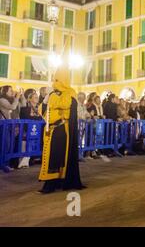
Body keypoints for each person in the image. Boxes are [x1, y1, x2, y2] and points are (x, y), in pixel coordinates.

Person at [38, 48, 84, 194]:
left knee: (57, 158)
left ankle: (57, 182)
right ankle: (52, 182)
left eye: (57, 79)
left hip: (61, 129)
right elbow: (42, 111)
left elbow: (65, 105)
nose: (55, 82)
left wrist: (52, 99)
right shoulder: (53, 94)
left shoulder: (70, 93)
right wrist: (45, 102)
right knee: (51, 157)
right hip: (50, 129)